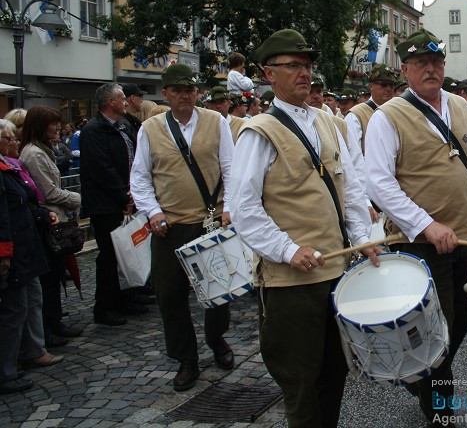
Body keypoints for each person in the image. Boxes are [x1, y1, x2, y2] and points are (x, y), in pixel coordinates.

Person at [231, 29, 378, 428]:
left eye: (307, 66)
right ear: (268, 73)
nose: (304, 74)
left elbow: (350, 188)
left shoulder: (330, 123)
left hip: (335, 271)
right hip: (289, 283)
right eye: (293, 66)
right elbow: (242, 209)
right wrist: (287, 249)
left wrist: (361, 238)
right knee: (300, 382)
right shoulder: (258, 130)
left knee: (335, 373)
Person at [366, 29, 467, 427]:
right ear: (405, 69)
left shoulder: (460, 105)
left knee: (458, 325)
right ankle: (440, 414)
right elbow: (379, 183)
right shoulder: (387, 117)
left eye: (437, 62)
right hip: (421, 245)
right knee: (437, 333)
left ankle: (419, 376)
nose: (431, 69)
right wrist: (426, 225)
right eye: (421, 63)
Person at [130, 63, 235, 391]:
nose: (184, 96)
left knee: (218, 289)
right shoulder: (149, 129)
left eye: (189, 90)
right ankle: (186, 358)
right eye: (177, 91)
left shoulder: (216, 122)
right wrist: (153, 213)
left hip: (209, 220)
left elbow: (232, 169)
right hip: (169, 225)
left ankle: (216, 339)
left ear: (197, 93)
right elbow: (140, 178)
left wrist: (229, 208)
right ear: (166, 94)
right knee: (170, 295)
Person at [1, 125, 63, 395]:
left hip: (25, 246)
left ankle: (27, 353)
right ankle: (7, 370)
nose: (14, 141)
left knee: (27, 302)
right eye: (9, 138)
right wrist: (4, 251)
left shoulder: (8, 166)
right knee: (12, 311)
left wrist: (40, 214)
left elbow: (25, 201)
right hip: (14, 249)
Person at [80, 84, 145, 327]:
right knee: (108, 256)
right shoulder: (94, 131)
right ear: (109, 101)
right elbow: (101, 168)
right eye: (121, 98)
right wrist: (122, 195)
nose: (126, 102)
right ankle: (105, 306)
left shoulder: (122, 127)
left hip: (123, 198)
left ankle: (125, 297)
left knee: (125, 254)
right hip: (105, 204)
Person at [19, 107, 83, 342]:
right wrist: (75, 199)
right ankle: (50, 326)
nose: (58, 128)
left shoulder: (43, 151)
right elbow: (48, 192)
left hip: (54, 218)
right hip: (49, 221)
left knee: (55, 274)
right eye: (53, 124)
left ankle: (54, 323)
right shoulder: (34, 154)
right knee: (50, 277)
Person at [346, 64, 396, 222]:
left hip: (395, 191)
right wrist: (363, 200)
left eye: (391, 85)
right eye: (383, 84)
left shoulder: (399, 111)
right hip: (370, 192)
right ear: (371, 86)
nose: (388, 89)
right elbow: (353, 161)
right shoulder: (356, 115)